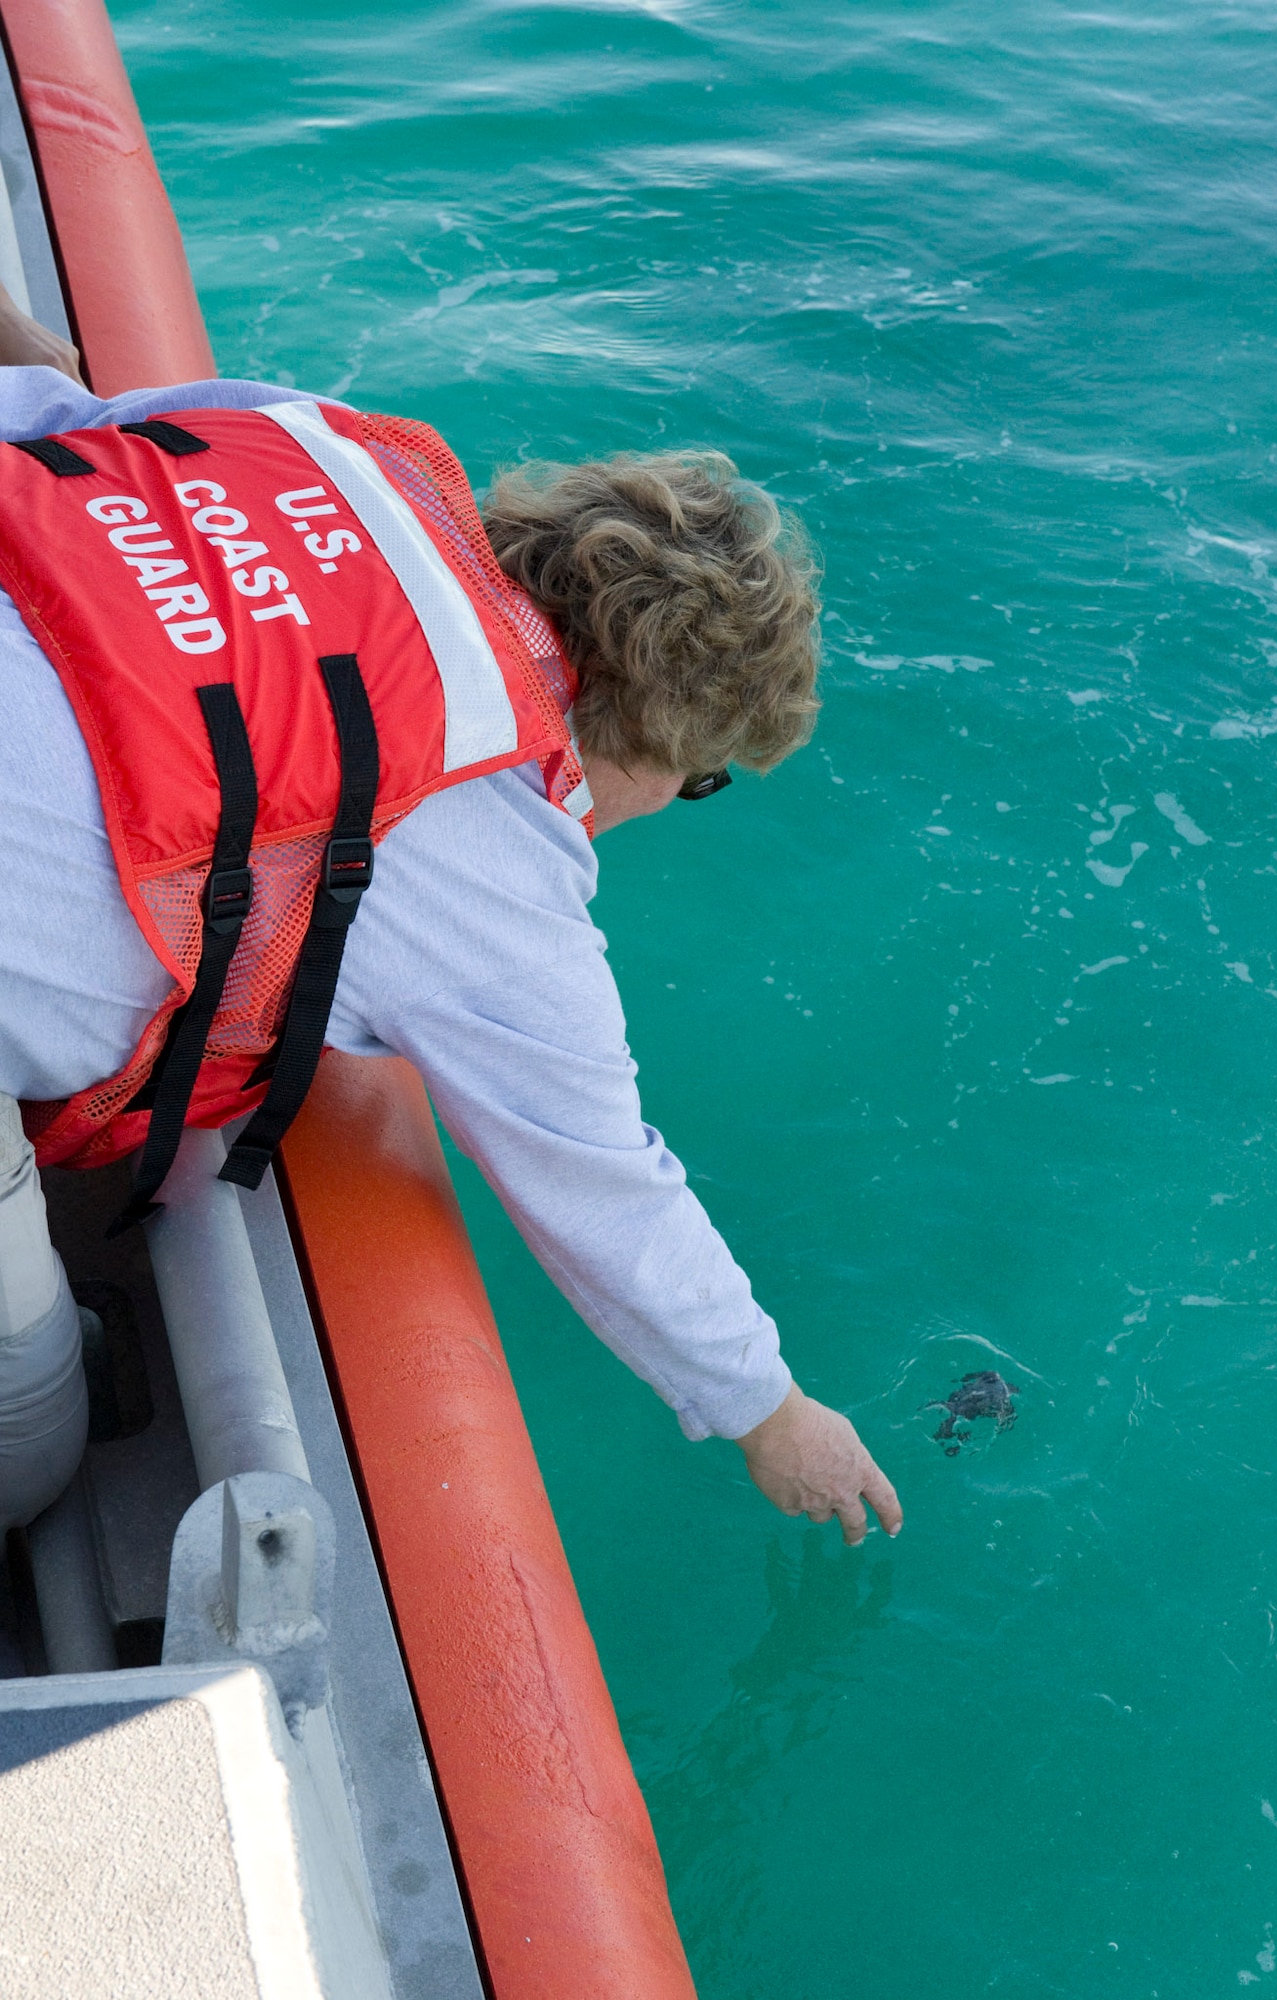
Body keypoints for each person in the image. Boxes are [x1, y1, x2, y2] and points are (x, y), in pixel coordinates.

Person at [0, 288, 902, 1549]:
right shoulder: (484, 847)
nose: (668, 806)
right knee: (25, 1428)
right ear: (655, 740)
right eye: (700, 782)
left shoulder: (297, 438)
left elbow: (41, 423)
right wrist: (771, 1413)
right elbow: (603, 1185)